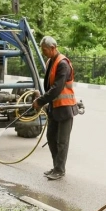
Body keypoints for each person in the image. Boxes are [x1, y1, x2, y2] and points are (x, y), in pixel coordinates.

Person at [32, 36, 78, 180]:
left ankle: (60, 170)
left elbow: (57, 88)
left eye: (45, 50)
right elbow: (48, 86)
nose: (43, 52)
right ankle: (55, 167)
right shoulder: (50, 61)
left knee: (62, 141)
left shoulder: (62, 64)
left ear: (53, 48)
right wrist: (44, 102)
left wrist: (40, 101)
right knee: (51, 138)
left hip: (65, 108)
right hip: (53, 107)